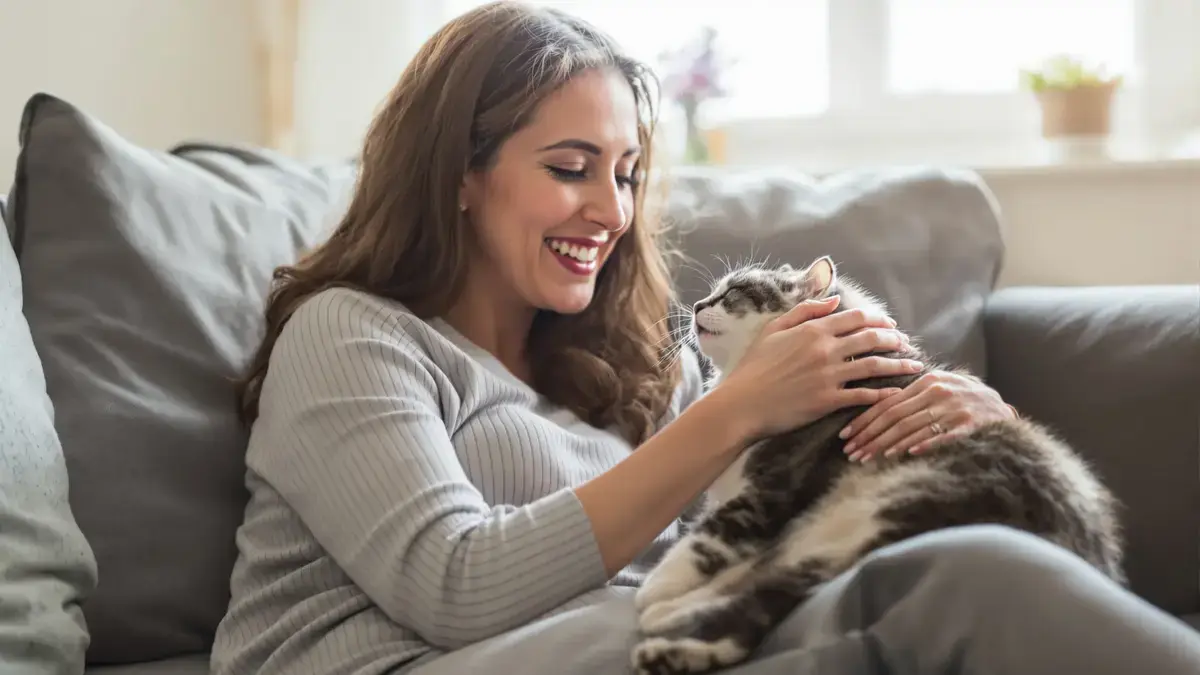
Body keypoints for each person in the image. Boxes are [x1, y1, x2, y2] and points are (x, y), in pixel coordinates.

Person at [210, 3, 1200, 674]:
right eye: (570, 166)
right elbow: (453, 592)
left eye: (629, 172)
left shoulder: (619, 372)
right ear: (458, 174)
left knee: (968, 561)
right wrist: (735, 412)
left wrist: (968, 424)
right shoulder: (350, 338)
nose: (610, 207)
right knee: (965, 585)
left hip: (646, 642)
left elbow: (758, 521)